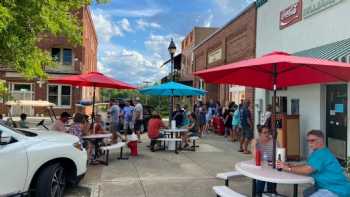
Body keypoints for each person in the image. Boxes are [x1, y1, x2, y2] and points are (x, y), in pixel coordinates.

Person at [277, 130, 350, 197]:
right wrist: (294, 165)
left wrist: (288, 168)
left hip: (336, 190)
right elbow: (308, 165)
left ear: (321, 140)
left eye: (312, 140)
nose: (309, 143)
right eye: (308, 141)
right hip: (329, 186)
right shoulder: (318, 152)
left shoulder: (321, 154)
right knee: (307, 192)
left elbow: (308, 170)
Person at [251, 126, 278, 196]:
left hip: (271, 165)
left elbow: (279, 155)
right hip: (261, 165)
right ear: (260, 134)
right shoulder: (256, 142)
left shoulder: (274, 141)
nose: (267, 134)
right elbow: (255, 158)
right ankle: (258, 193)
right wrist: (254, 146)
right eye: (264, 132)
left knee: (271, 182)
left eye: (268, 132)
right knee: (260, 180)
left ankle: (271, 192)